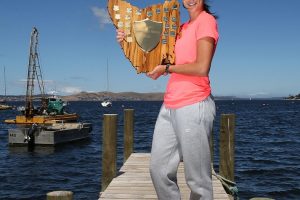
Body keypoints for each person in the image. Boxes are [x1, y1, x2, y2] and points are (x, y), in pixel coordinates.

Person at [117, 0, 218, 199]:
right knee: (159, 170)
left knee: (198, 180)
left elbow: (201, 67)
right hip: (170, 104)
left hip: (194, 103)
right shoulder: (181, 28)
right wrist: (126, 42)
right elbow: (153, 61)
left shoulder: (206, 21)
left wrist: (167, 69)